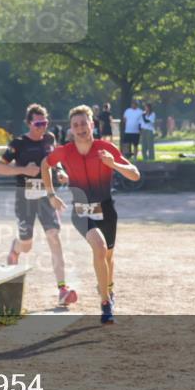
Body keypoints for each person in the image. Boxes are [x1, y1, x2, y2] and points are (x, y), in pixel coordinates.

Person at [42, 105, 140, 325]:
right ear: (71, 130)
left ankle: (108, 289)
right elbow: (44, 164)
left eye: (84, 124)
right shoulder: (66, 151)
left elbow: (135, 175)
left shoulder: (106, 148)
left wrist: (113, 164)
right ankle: (106, 304)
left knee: (108, 257)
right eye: (75, 125)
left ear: (92, 125)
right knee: (100, 247)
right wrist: (51, 195)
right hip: (81, 210)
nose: (80, 128)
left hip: (106, 209)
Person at [0, 104, 76, 307]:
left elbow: (54, 160)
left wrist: (60, 172)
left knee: (54, 236)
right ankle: (15, 249)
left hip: (47, 195)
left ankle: (62, 289)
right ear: (29, 123)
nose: (42, 127)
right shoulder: (19, 143)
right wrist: (23, 169)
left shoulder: (50, 139)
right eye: (38, 123)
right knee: (27, 244)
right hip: (25, 197)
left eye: (45, 122)